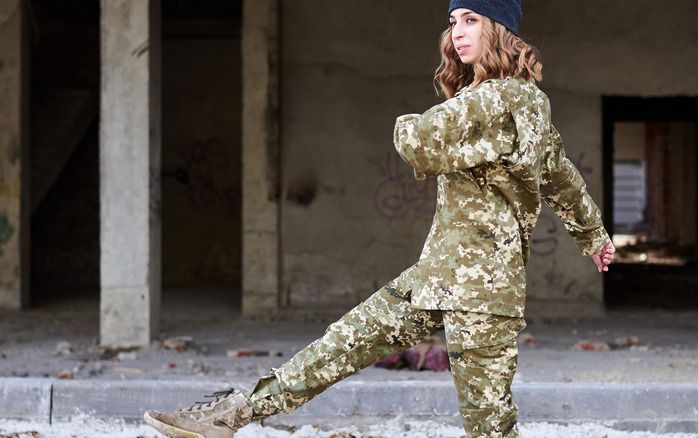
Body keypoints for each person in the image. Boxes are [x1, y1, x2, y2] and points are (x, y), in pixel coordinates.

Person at [143, 0, 616, 437]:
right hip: (437, 275)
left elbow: (414, 139)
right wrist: (593, 237)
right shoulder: (530, 104)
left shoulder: (492, 100)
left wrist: (419, 123)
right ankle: (233, 414)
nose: (457, 33)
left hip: (481, 295)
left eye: (471, 20)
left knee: (490, 427)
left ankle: (235, 414)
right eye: (453, 22)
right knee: (341, 344)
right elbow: (561, 176)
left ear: (500, 28)